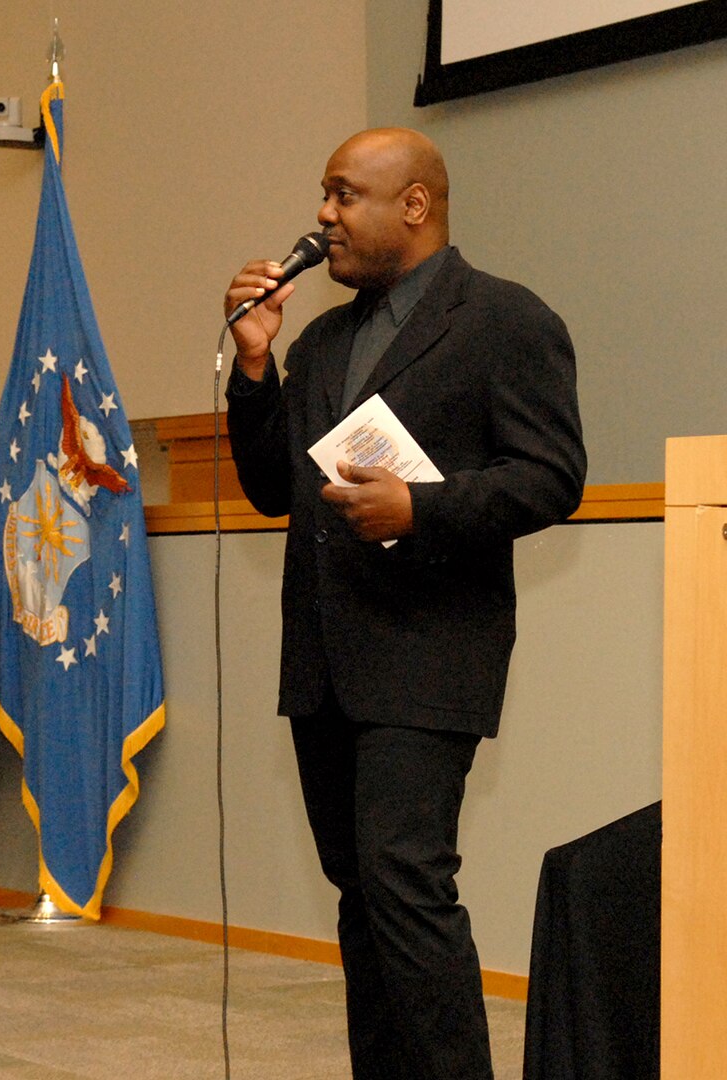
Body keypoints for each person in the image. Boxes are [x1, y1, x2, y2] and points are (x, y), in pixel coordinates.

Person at [222, 128, 586, 1079]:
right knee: (360, 892)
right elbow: (272, 488)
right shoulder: (323, 338)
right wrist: (256, 368)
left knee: (404, 883)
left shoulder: (505, 319)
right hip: (325, 663)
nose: (323, 216)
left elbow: (551, 479)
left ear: (414, 206)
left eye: (344, 196)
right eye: (324, 195)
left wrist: (418, 509)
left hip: (429, 657)